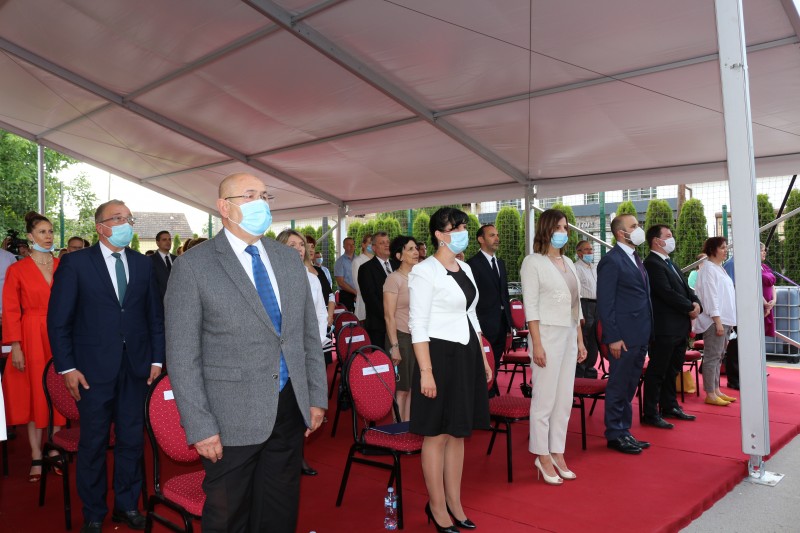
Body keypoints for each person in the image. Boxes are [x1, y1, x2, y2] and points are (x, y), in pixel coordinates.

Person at [165, 173, 327, 533]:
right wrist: (200, 426)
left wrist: (316, 396)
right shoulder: (194, 266)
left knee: (279, 510)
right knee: (229, 517)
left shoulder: (287, 259)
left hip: (288, 408)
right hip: (229, 418)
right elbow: (182, 356)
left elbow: (306, 336)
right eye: (250, 196)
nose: (261, 204)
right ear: (224, 207)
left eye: (265, 196)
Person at [48, 200, 165, 532]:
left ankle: (126, 505)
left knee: (131, 440)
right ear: (100, 227)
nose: (126, 223)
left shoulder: (142, 264)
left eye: (129, 218)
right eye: (118, 218)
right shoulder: (76, 264)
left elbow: (155, 316)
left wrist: (157, 359)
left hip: (136, 368)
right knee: (94, 443)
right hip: (92, 371)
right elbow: (58, 321)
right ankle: (94, 512)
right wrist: (67, 368)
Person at [409, 207, 491, 532]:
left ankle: (455, 503)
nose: (462, 233)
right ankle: (436, 506)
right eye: (456, 228)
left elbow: (472, 314)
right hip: (438, 355)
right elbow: (417, 324)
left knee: (458, 432)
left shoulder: (465, 267)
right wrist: (426, 372)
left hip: (466, 353)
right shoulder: (424, 271)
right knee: (437, 434)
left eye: (464, 227)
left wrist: (482, 357)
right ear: (439, 234)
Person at [520, 209, 587, 484]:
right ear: (546, 230)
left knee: (564, 399)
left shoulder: (569, 262)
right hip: (546, 335)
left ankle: (558, 451)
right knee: (544, 399)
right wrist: (536, 344)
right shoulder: (532, 262)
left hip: (569, 333)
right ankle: (541, 454)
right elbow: (531, 307)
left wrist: (580, 340)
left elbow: (576, 305)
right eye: (558, 227)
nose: (563, 232)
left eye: (566, 228)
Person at [2, 212, 65, 482]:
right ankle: (37, 454)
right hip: (30, 335)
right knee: (34, 394)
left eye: (50, 231)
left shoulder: (63, 266)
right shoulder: (17, 269)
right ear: (30, 236)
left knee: (59, 391)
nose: (48, 236)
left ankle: (54, 448)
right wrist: (15, 345)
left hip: (59, 335)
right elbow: (11, 310)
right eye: (42, 232)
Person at [596, 214, 653, 455]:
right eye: (634, 226)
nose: (639, 229)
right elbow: (605, 303)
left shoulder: (635, 257)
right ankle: (614, 433)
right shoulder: (611, 261)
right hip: (623, 338)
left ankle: (624, 430)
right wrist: (613, 337)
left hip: (640, 334)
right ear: (621, 233)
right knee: (619, 385)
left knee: (629, 385)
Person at [276, 229, 330, 478]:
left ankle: (297, 455)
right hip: (282, 355)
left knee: (303, 405)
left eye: (301, 245)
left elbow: (320, 314)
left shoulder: (312, 278)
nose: (298, 249)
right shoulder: (272, 277)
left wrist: (313, 343)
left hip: (307, 351)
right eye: (292, 245)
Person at [642, 225, 701, 429]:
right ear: (656, 241)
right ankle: (650, 412)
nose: (672, 238)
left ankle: (669, 406)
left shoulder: (670, 263)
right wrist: (689, 308)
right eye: (668, 236)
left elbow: (686, 289)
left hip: (679, 327)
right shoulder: (652, 263)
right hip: (665, 328)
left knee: (673, 369)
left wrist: (696, 302)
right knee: (658, 370)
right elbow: (666, 292)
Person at [467, 223, 512, 398]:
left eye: (497, 235)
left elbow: (504, 294)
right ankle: (483, 397)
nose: (497, 238)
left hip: (501, 324)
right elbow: (471, 298)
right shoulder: (472, 264)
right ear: (481, 239)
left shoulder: (500, 263)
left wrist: (509, 324)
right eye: (492, 235)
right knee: (482, 364)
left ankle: (491, 393)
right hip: (483, 326)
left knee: (496, 363)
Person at [692, 237, 738, 406]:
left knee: (719, 356)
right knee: (712, 356)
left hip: (724, 319)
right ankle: (710, 393)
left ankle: (716, 390)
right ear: (713, 250)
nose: (726, 250)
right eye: (722, 247)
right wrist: (717, 321)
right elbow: (710, 297)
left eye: (726, 247)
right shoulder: (708, 269)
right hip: (715, 321)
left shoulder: (719, 268)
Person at [383, 235, 419, 422]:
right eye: (410, 249)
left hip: (417, 338)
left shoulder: (418, 278)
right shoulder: (393, 279)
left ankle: (408, 426)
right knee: (401, 389)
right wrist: (394, 347)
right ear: (399, 255)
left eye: (416, 248)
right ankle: (398, 429)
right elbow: (389, 316)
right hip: (400, 338)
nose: (416, 252)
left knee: (412, 387)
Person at [358, 232, 392, 347]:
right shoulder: (366, 269)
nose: (387, 245)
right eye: (382, 243)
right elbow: (371, 299)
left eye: (388, 242)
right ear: (373, 248)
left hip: (399, 324)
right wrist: (390, 316)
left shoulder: (396, 265)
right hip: (379, 326)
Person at [574, 240, 599, 378]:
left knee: (595, 339)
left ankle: (590, 370)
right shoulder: (576, 268)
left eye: (591, 249)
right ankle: (580, 372)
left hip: (597, 305)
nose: (590, 252)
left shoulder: (594, 267)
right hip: (584, 304)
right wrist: (580, 313)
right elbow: (575, 292)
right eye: (586, 249)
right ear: (579, 253)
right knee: (584, 338)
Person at [305, 235, 335, 331]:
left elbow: (331, 295)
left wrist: (329, 315)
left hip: (324, 320)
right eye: (307, 246)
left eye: (312, 247)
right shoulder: (299, 271)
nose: (311, 250)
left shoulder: (320, 270)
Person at [352, 233, 373, 322]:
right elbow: (358, 285)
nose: (372, 245)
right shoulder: (357, 261)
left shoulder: (376, 260)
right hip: (364, 303)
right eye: (370, 243)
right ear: (363, 245)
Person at [151, 230, 176, 301]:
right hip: (158, 301)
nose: (168, 242)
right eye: (164, 240)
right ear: (157, 242)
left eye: (169, 239)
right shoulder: (150, 260)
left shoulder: (177, 259)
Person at [334, 237, 357, 311]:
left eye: (353, 244)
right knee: (348, 317)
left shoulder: (358, 260)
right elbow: (340, 283)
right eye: (348, 244)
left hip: (359, 294)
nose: (351, 246)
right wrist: (355, 292)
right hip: (346, 295)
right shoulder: (340, 262)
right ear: (344, 247)